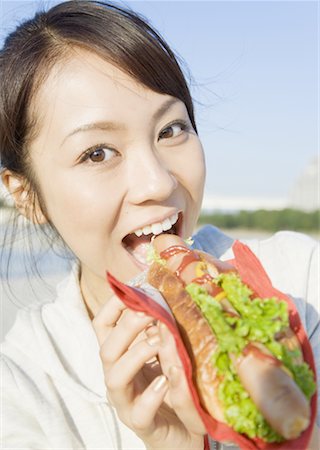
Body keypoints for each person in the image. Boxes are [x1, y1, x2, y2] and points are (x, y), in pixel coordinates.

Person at [0, 1, 318, 449]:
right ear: (26, 195)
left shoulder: (301, 284)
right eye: (97, 153)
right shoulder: (21, 387)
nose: (158, 181)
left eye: (170, 130)